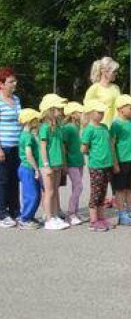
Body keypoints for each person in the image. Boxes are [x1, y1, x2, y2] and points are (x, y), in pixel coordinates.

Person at [81, 101, 114, 231]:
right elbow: (83, 148)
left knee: (103, 192)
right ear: (90, 113)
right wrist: (94, 155)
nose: (101, 114)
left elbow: (110, 145)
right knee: (96, 192)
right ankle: (93, 220)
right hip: (96, 165)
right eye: (98, 112)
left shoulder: (104, 127)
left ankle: (101, 218)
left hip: (107, 164)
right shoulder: (88, 130)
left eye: (102, 112)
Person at [38, 93, 68, 231]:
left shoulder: (59, 126)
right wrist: (45, 164)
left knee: (55, 191)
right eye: (58, 108)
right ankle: (49, 219)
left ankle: (55, 216)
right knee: (49, 192)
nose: (61, 111)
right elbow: (43, 146)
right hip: (48, 165)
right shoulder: (44, 127)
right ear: (51, 109)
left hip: (57, 162)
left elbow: (61, 145)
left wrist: (63, 163)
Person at [111, 94, 131, 227]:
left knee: (130, 187)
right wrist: (115, 162)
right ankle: (121, 213)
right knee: (120, 189)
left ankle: (130, 212)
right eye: (130, 108)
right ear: (121, 109)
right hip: (121, 160)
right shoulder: (116, 124)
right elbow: (111, 144)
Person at [0, 67, 22, 228]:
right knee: (3, 180)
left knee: (15, 179)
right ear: (1, 84)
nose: (14, 83)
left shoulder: (16, 99)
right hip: (4, 146)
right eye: (10, 81)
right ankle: (3, 213)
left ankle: (15, 210)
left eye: (15, 81)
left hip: (17, 146)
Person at [16, 108, 43, 229]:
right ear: (30, 121)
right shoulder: (27, 136)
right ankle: (24, 219)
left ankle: (30, 215)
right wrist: (36, 169)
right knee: (31, 194)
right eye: (36, 120)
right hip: (28, 168)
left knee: (36, 193)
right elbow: (28, 154)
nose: (38, 122)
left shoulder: (28, 134)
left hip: (29, 168)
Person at [61, 102, 86, 226]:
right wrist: (64, 164)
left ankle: (75, 211)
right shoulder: (68, 128)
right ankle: (70, 213)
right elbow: (63, 146)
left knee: (75, 187)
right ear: (72, 114)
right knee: (79, 186)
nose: (82, 114)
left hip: (79, 161)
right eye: (80, 112)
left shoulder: (78, 127)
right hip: (71, 162)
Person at [83, 57, 121, 125]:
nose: (116, 73)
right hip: (102, 126)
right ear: (104, 71)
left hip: (117, 126)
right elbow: (87, 110)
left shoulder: (116, 88)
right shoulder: (94, 88)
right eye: (114, 71)